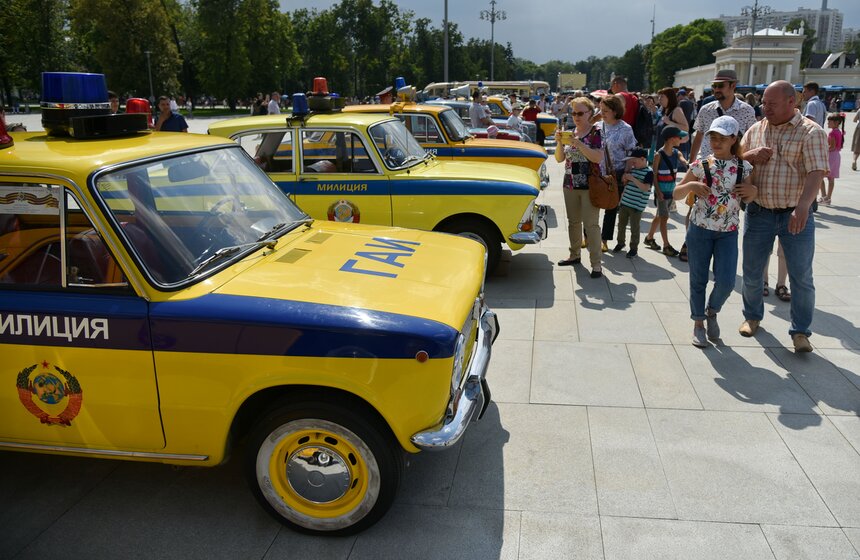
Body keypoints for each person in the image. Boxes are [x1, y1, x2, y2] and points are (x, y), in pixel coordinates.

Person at [740, 80, 829, 353]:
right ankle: (752, 316)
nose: (765, 108)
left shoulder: (811, 132)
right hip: (759, 213)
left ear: (793, 102)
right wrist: (748, 154)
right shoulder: (756, 130)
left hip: (795, 215)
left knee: (801, 276)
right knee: (752, 272)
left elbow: (817, 171)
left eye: (772, 104)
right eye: (764, 103)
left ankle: (800, 332)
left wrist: (804, 205)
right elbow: (735, 160)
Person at [673, 115, 756, 348]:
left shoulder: (743, 166)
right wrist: (690, 185)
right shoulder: (701, 166)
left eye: (722, 138)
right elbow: (676, 194)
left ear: (733, 139)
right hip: (700, 230)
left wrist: (752, 190)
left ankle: (712, 310)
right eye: (713, 138)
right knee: (698, 279)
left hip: (728, 231)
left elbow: (751, 195)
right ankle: (698, 323)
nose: (716, 142)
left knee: (727, 281)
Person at [554, 96, 605, 278]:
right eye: (574, 112)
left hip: (590, 184)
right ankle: (574, 254)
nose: (576, 116)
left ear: (590, 113)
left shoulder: (595, 133)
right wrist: (560, 142)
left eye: (580, 113)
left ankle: (596, 264)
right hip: (570, 184)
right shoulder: (570, 133)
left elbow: (597, 158)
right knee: (574, 222)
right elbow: (560, 159)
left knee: (591, 225)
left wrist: (579, 144)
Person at [597, 95, 637, 252]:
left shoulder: (625, 129)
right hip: (597, 172)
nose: (602, 113)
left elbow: (630, 152)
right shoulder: (598, 126)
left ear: (615, 111)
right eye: (601, 110)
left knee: (611, 207)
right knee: (592, 204)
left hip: (617, 173)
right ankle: (588, 236)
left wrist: (626, 173)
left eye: (605, 111)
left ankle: (604, 239)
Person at [644, 126, 687, 256]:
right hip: (662, 191)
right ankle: (666, 245)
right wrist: (658, 191)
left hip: (671, 191)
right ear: (671, 139)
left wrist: (689, 165)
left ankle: (649, 237)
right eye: (679, 137)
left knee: (660, 215)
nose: (681, 139)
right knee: (664, 217)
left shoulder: (676, 153)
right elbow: (655, 175)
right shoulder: (659, 155)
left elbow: (684, 161)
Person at [615, 147, 653, 258]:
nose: (633, 163)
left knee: (634, 228)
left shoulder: (649, 172)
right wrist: (625, 178)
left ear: (642, 159)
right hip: (625, 202)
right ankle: (620, 242)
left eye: (634, 161)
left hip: (637, 206)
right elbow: (625, 183)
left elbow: (646, 188)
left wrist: (632, 179)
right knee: (621, 225)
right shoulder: (633, 170)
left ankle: (633, 248)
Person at [819, 113, 845, 205]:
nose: (828, 123)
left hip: (831, 156)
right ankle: (828, 198)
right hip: (836, 156)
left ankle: (824, 196)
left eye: (829, 121)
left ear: (836, 122)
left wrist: (822, 149)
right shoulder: (839, 131)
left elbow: (832, 147)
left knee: (820, 176)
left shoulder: (832, 132)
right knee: (831, 178)